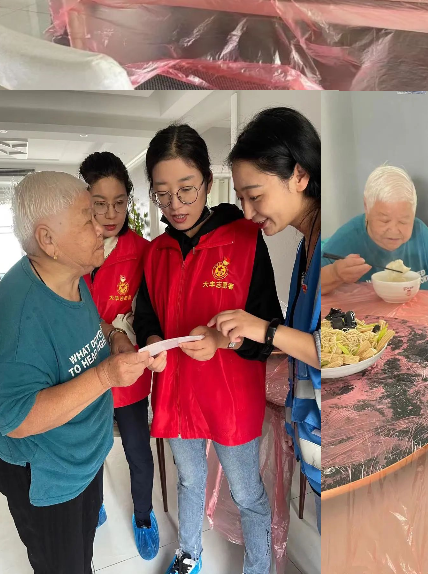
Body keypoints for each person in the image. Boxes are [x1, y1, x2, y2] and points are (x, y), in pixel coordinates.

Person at [133, 124, 282, 574]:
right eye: (162, 194)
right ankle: (189, 554)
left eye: (186, 189)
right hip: (178, 392)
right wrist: (152, 341)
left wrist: (222, 339)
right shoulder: (156, 252)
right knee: (190, 481)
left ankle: (259, 568)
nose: (175, 204)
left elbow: (270, 327)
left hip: (229, 392)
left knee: (246, 492)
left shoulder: (245, 239)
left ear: (208, 181)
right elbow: (147, 317)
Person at [0, 172, 156, 574]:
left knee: (83, 553)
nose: (101, 225)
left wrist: (114, 335)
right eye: (87, 218)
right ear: (48, 240)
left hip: (85, 457)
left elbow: (87, 325)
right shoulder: (18, 316)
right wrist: (106, 377)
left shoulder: (71, 275)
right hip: (50, 478)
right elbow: (18, 420)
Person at [209, 107, 322, 532]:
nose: (248, 212)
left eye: (255, 196)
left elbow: (335, 348)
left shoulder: (330, 246)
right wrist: (243, 336)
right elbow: (302, 338)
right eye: (241, 198)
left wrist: (263, 328)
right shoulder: (305, 246)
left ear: (299, 175)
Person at [79, 152, 159, 559]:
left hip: (127, 370)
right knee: (89, 449)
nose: (111, 213)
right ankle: (93, 506)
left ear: (129, 199)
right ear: (85, 202)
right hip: (84, 370)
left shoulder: (142, 251)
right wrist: (108, 328)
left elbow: (150, 311)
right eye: (100, 203)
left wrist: (124, 330)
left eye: (119, 202)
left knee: (137, 450)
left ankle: (143, 516)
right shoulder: (74, 250)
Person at [322, 164, 428, 295]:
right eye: (384, 220)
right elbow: (311, 287)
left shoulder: (421, 233)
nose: (394, 230)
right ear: (367, 207)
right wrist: (335, 273)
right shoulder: (347, 239)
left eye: (403, 221)